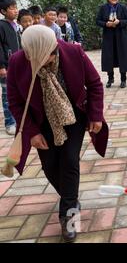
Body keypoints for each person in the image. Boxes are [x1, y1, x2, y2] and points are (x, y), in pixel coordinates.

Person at [6, 25, 108, 242]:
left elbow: (95, 84)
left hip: (73, 116)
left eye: (51, 54)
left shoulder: (72, 52)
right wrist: (32, 132)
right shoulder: (18, 61)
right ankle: (70, 198)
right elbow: (15, 102)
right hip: (41, 121)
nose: (48, 59)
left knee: (69, 162)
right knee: (50, 166)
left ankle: (69, 215)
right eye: (39, 57)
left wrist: (96, 115)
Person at [96, 0, 127, 88]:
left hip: (121, 36)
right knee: (109, 57)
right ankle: (110, 78)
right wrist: (106, 24)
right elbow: (98, 21)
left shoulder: (123, 7)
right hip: (108, 36)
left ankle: (123, 79)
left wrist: (119, 22)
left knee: (122, 57)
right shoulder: (103, 8)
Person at [0, 0, 20, 135]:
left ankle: (18, 120)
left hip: (16, 65)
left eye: (15, 7)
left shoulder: (15, 25)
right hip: (6, 67)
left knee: (17, 94)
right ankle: (10, 122)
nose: (15, 11)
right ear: (3, 11)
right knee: (7, 95)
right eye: (12, 8)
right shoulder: (1, 26)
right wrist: (1, 66)